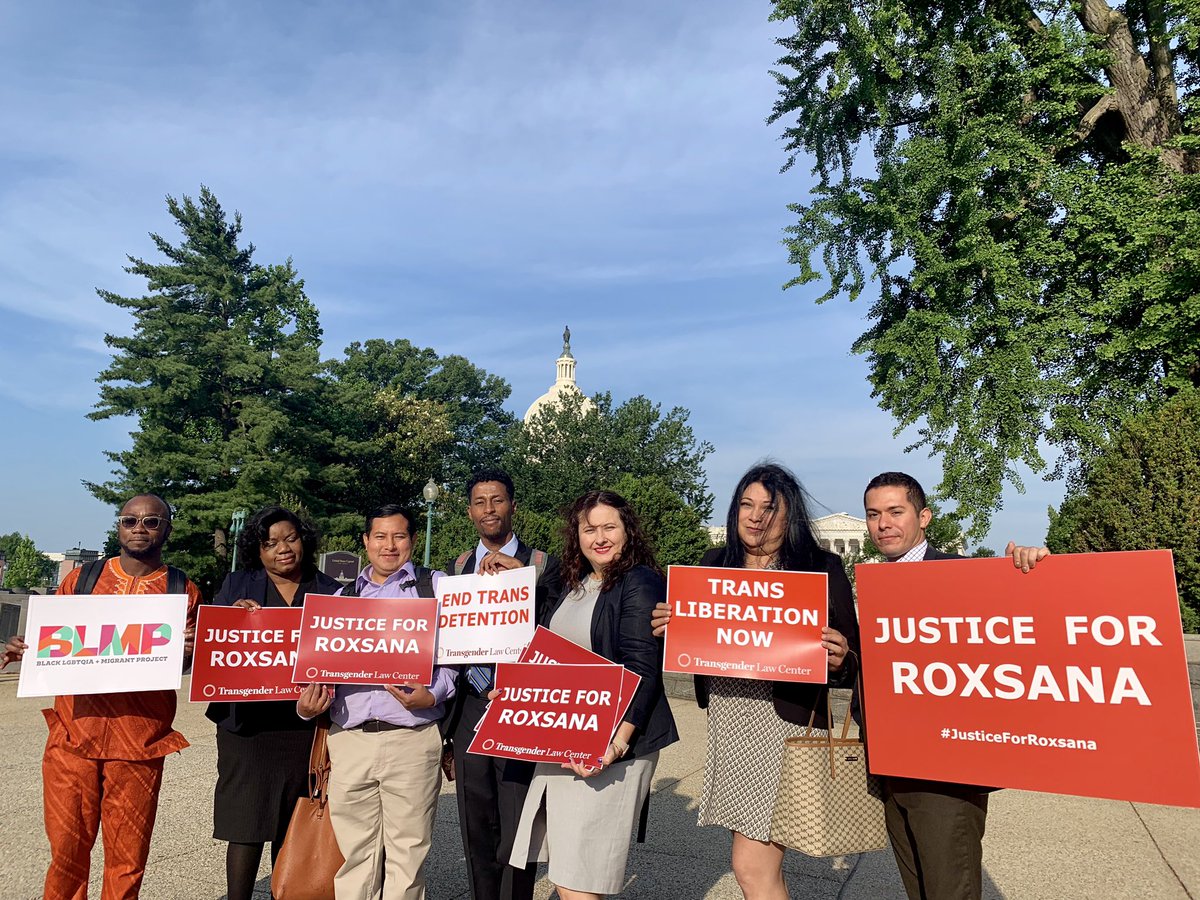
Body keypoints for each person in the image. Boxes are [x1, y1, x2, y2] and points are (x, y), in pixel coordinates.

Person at [650, 462, 860, 900]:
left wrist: (841, 657)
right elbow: (699, 636)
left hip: (783, 725)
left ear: (790, 515)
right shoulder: (714, 564)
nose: (756, 516)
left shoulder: (820, 567)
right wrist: (672, 624)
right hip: (731, 722)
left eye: (769, 507)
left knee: (749, 865)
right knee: (760, 866)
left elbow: (852, 658)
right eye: (747, 504)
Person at [1, 493, 202, 900]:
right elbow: (54, 639)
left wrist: (188, 652)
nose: (139, 529)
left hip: (139, 741)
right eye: (130, 520)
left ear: (167, 528)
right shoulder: (83, 580)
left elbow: (182, 664)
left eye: (151, 521)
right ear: (118, 526)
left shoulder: (182, 589)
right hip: (74, 737)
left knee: (127, 858)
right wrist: (29, 646)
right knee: (66, 852)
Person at [863, 471, 1048, 900]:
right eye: (873, 514)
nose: (883, 523)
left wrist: (1032, 571)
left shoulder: (965, 574)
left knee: (950, 889)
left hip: (947, 771)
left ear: (923, 517)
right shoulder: (874, 584)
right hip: (892, 763)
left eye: (895, 511)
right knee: (920, 889)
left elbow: (1031, 632)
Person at [508, 490, 678, 900]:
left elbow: (643, 669)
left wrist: (616, 742)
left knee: (581, 880)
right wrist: (517, 695)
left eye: (609, 527)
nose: (599, 538)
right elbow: (546, 653)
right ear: (576, 535)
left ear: (627, 531)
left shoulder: (639, 581)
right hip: (566, 736)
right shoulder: (572, 580)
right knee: (569, 872)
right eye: (589, 529)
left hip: (612, 743)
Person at [296, 503, 455, 900]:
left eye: (399, 536)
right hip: (350, 739)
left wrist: (433, 693)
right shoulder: (339, 597)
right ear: (365, 542)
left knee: (408, 855)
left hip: (412, 738)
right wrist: (307, 703)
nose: (389, 545)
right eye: (380, 536)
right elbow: (313, 671)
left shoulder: (435, 587)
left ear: (413, 540)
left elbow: (456, 658)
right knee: (355, 858)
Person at [206, 505, 344, 900]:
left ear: (304, 540)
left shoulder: (331, 590)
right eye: (270, 543)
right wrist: (230, 619)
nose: (282, 549)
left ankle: (287, 892)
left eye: (290, 538)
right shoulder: (237, 585)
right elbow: (213, 646)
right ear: (258, 550)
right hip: (247, 728)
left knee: (294, 824)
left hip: (304, 726)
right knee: (246, 824)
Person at [442, 469, 562, 900]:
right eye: (480, 501)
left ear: (512, 505)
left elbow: (560, 631)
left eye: (497, 500)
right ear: (470, 510)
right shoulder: (456, 568)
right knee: (476, 822)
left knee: (518, 822)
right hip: (472, 705)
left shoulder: (544, 565)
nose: (488, 509)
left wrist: (522, 581)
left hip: (520, 704)